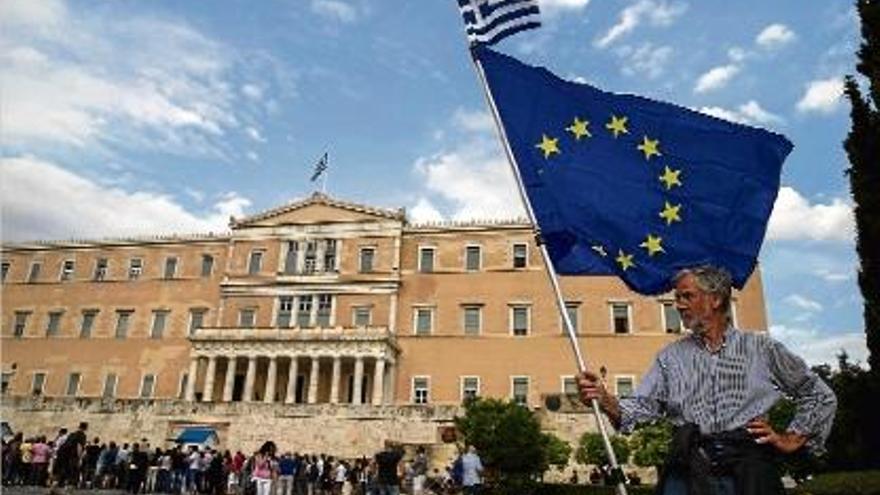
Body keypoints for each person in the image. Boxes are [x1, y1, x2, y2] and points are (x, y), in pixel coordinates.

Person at [577, 265, 838, 495]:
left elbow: (818, 394)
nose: (678, 304)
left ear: (715, 299)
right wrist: (604, 398)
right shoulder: (670, 357)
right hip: (687, 469)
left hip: (749, 471)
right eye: (677, 297)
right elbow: (637, 410)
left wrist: (791, 438)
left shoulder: (762, 348)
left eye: (687, 296)